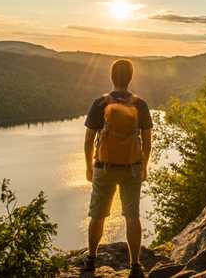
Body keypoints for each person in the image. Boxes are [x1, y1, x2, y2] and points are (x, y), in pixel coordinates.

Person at [82, 59, 152, 278]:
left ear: (112, 77)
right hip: (132, 168)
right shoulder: (140, 104)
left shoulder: (100, 103)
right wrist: (144, 166)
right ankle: (135, 265)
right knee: (132, 216)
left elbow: (88, 139)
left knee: (98, 215)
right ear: (130, 78)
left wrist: (88, 166)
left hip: (104, 167)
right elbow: (147, 140)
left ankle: (91, 260)